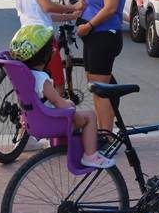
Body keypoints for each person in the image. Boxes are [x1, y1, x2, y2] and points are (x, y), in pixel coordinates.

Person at [9, 25, 115, 168]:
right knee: (89, 116)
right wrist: (72, 110)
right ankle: (91, 156)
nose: (53, 50)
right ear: (44, 56)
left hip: (34, 120)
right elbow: (57, 101)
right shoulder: (42, 79)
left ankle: (63, 146)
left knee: (70, 104)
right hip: (48, 122)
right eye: (51, 49)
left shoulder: (26, 76)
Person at [75, 0, 126, 132]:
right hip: (95, 36)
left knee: (100, 89)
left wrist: (88, 25)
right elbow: (98, 3)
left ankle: (106, 133)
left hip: (104, 35)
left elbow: (110, 7)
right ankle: (101, 130)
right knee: (96, 87)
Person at [15, 0, 84, 90]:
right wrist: (72, 7)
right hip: (41, 36)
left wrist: (71, 16)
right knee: (58, 81)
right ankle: (59, 111)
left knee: (38, 78)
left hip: (29, 34)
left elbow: (45, 14)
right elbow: (47, 6)